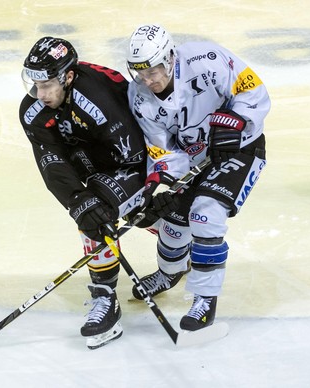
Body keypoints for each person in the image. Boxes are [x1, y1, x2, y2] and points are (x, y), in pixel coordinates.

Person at [125, 24, 270, 331]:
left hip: (238, 149)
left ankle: (205, 298)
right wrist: (161, 184)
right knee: (174, 227)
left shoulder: (208, 59)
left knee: (206, 214)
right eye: (140, 73)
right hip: (192, 160)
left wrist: (236, 122)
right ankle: (169, 272)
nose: (148, 80)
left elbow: (252, 90)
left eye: (153, 71)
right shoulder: (139, 96)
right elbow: (160, 148)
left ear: (170, 58)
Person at [19, 37, 148, 349]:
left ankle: (173, 248)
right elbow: (51, 162)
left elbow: (135, 157)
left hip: (135, 156)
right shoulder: (33, 109)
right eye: (36, 84)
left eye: (48, 84)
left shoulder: (98, 100)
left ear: (69, 77)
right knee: (88, 212)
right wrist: (78, 198)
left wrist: (106, 202)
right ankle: (106, 299)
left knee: (119, 211)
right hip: (90, 153)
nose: (41, 94)